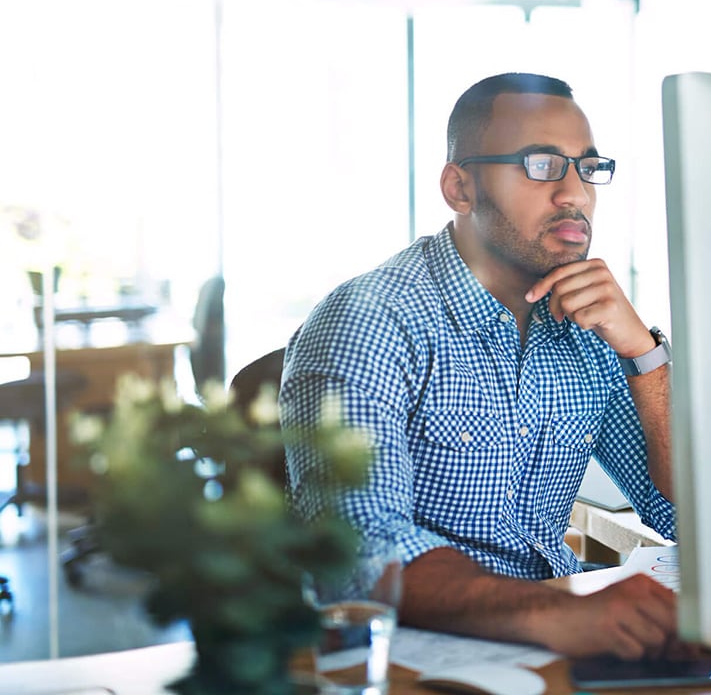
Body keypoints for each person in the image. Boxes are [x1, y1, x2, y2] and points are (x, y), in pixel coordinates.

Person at [281, 72, 678, 660]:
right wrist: (558, 613)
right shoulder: (370, 320)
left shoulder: (590, 324)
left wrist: (647, 357)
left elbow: (685, 514)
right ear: (460, 188)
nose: (574, 194)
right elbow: (361, 553)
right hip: (405, 656)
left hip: (550, 641)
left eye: (587, 168)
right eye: (542, 164)